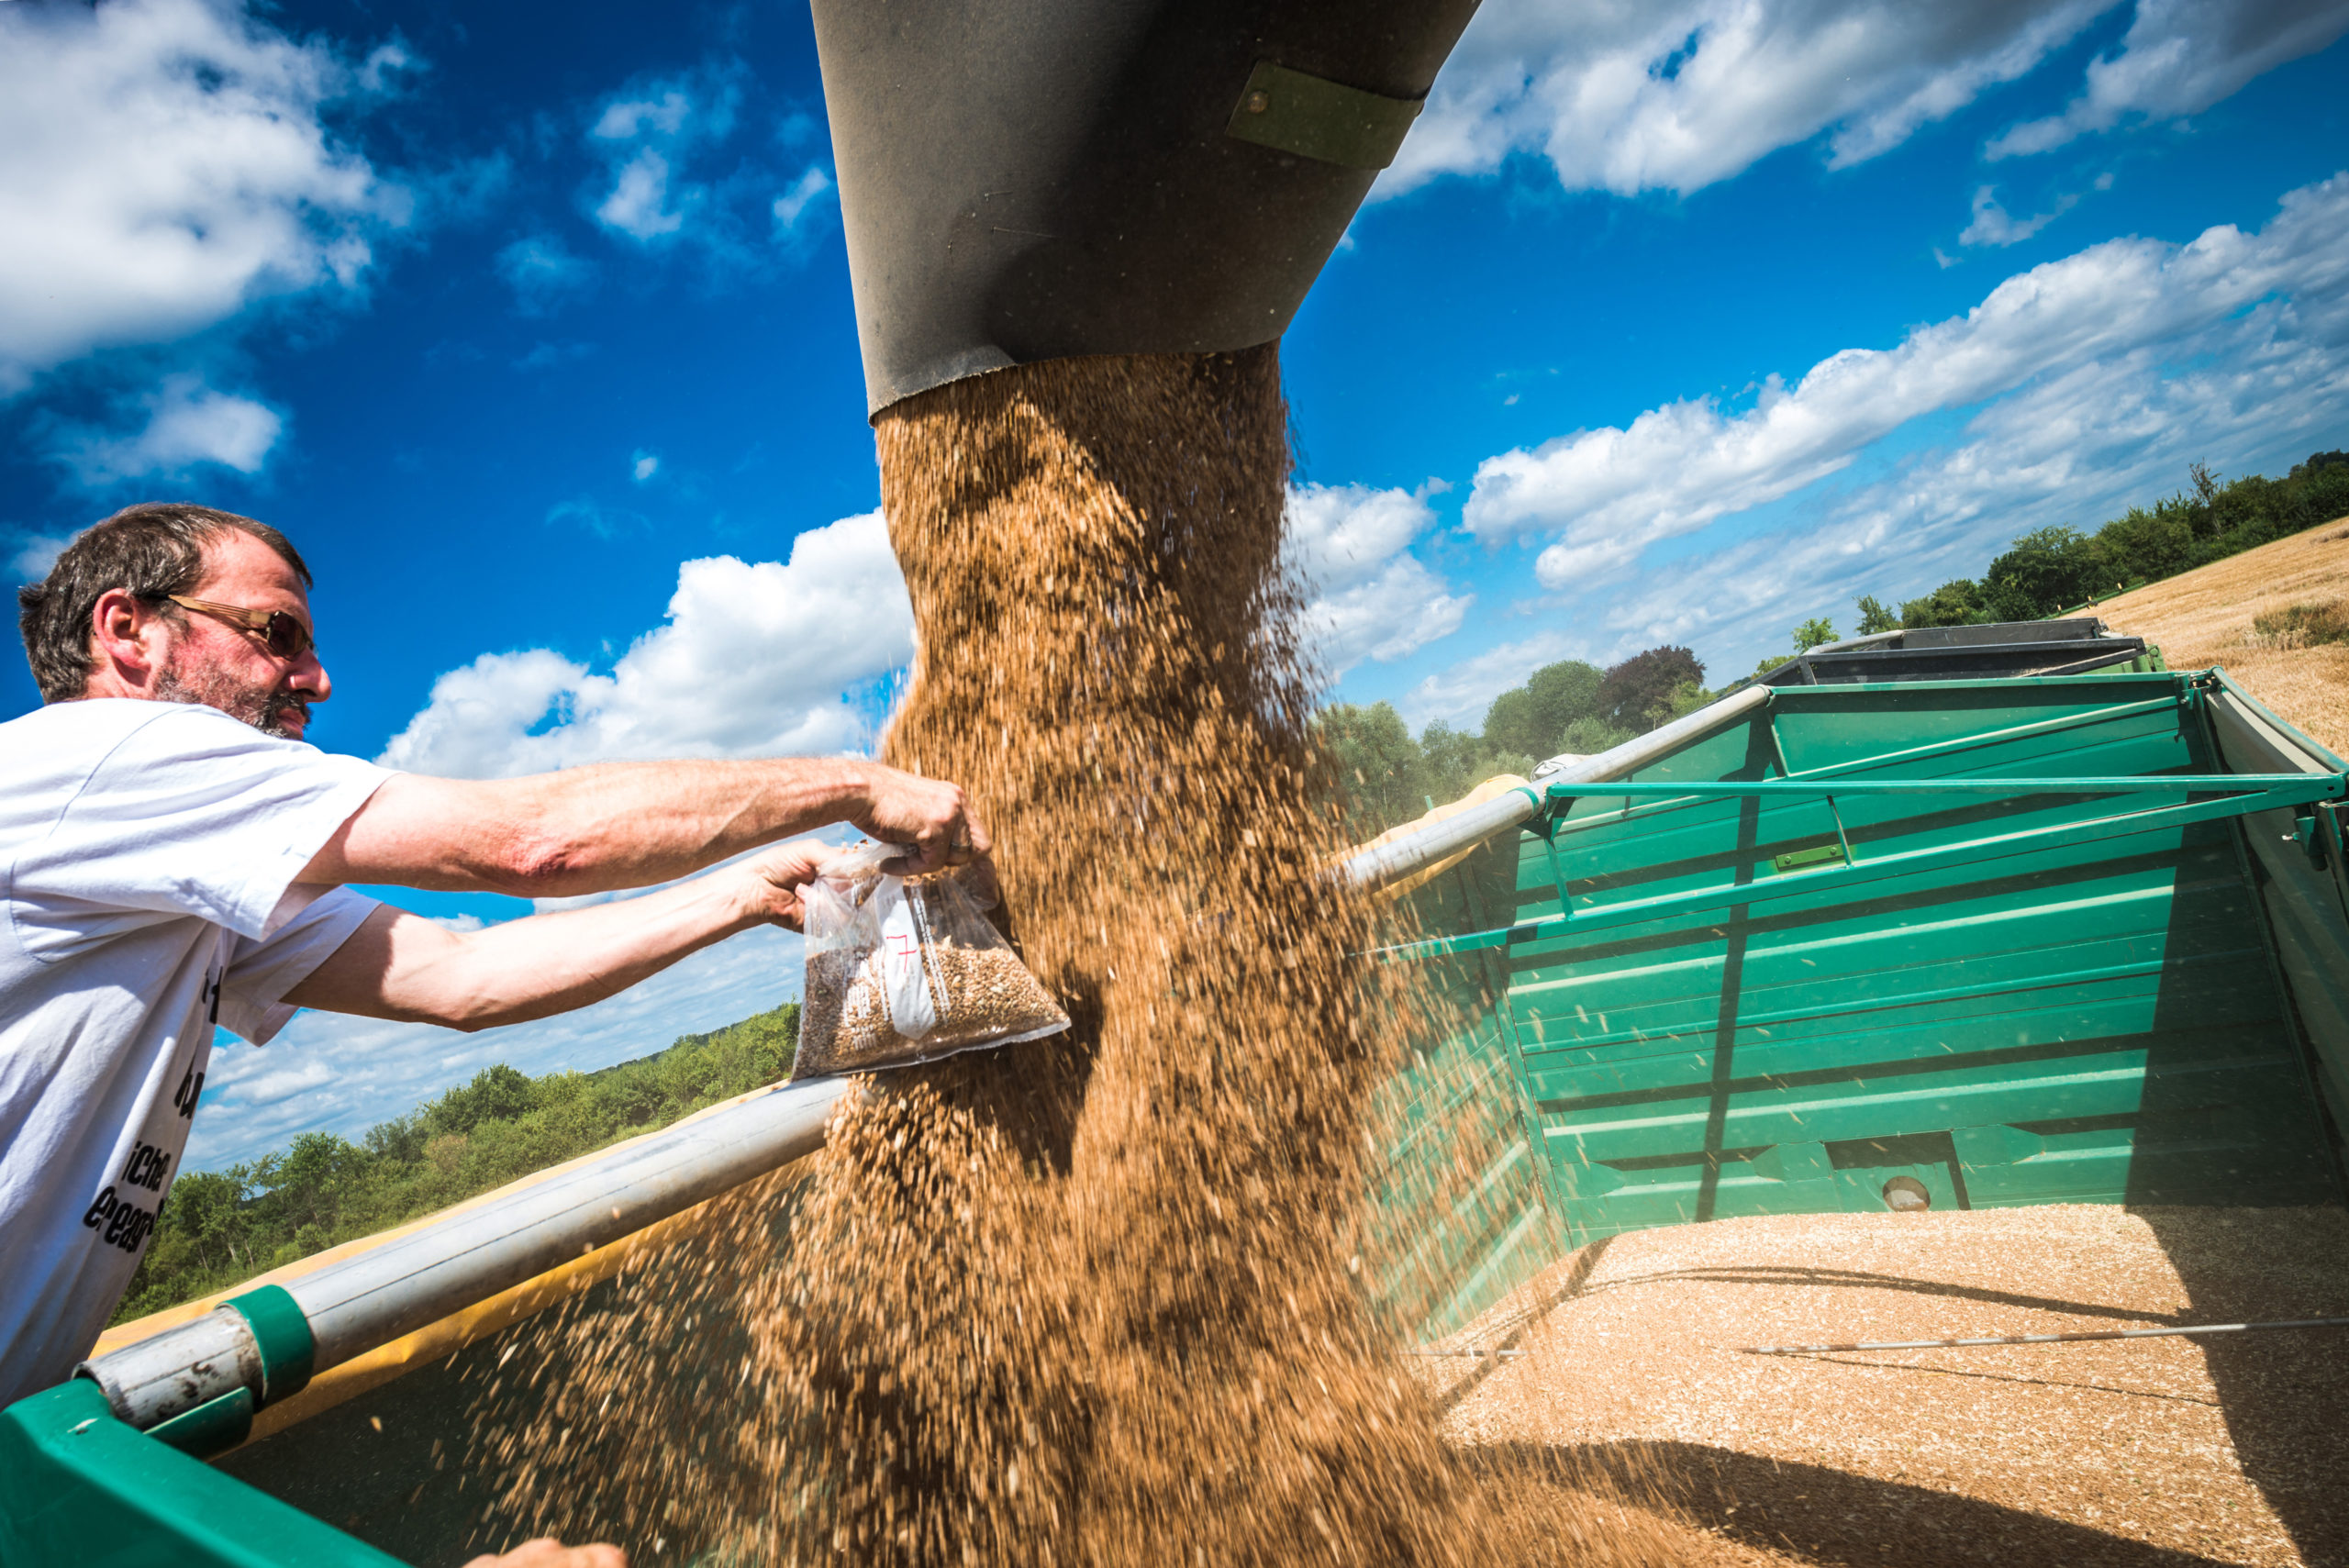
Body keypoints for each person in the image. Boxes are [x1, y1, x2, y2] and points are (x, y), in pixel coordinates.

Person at [2, 502, 986, 1563]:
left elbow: (466, 975)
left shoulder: (173, 871)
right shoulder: (113, 754)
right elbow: (535, 843)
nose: (315, 679)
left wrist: (743, 890)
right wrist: (851, 783)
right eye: (275, 633)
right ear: (128, 631)